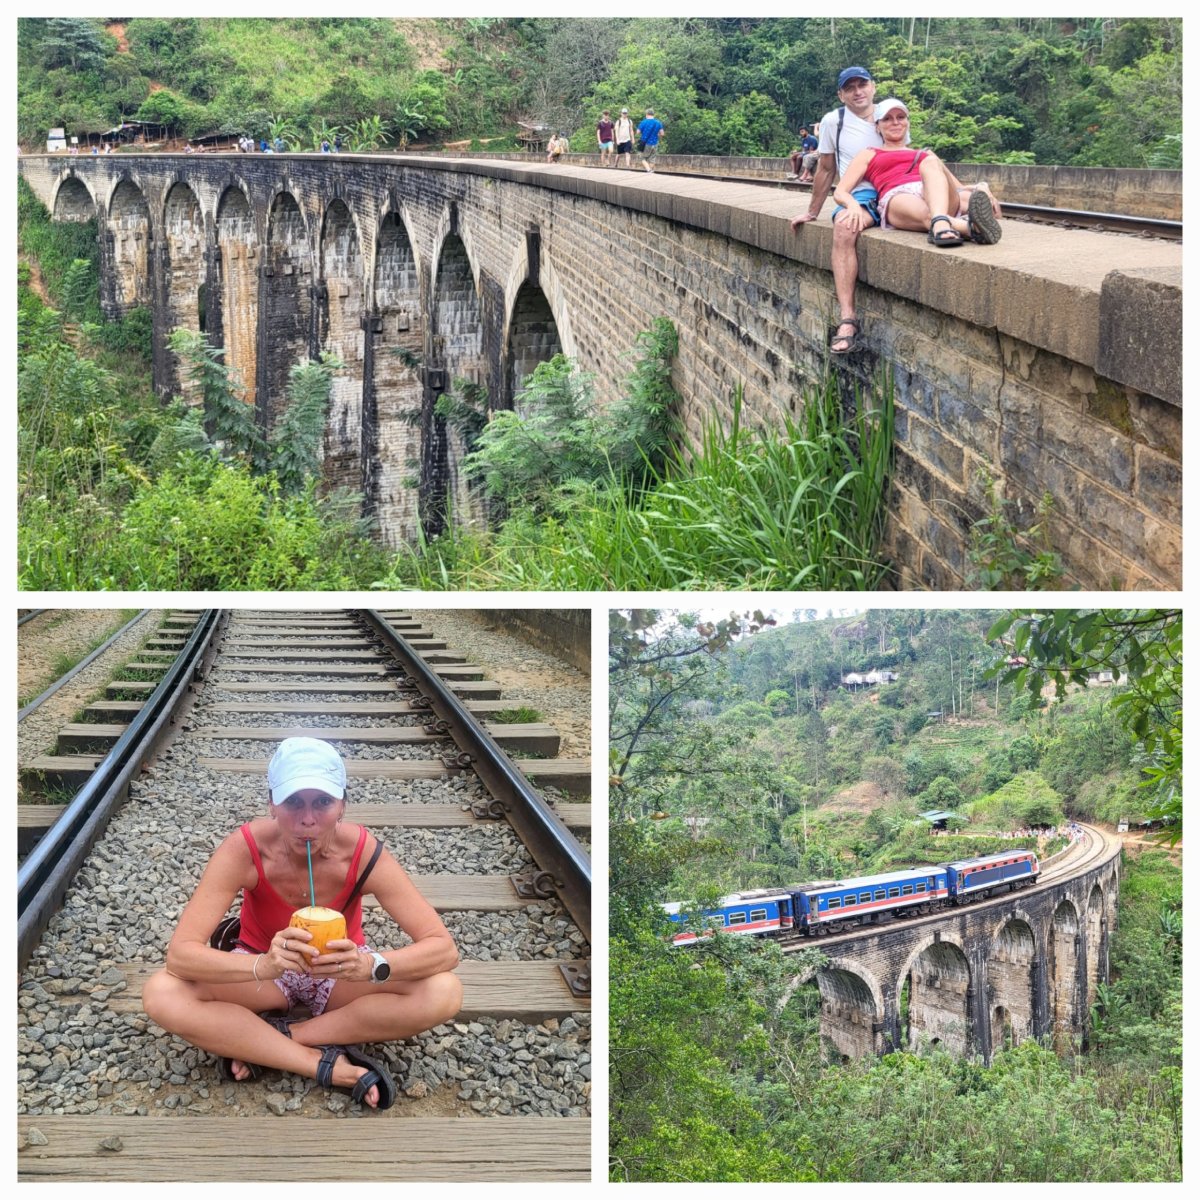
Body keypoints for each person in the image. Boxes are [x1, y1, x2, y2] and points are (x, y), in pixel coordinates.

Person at [142, 737, 462, 1110]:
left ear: (342, 805)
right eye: (293, 801)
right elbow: (180, 956)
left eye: (322, 802)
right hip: (264, 969)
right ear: (272, 803)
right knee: (162, 993)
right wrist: (265, 964)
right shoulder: (245, 849)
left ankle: (276, 1040)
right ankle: (324, 1066)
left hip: (339, 971)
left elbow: (443, 948)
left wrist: (369, 965)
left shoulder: (363, 854)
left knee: (443, 991)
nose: (306, 819)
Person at [790, 66, 895, 355]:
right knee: (844, 228)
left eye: (863, 84)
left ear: (873, 87)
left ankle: (965, 219)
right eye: (850, 87)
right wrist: (812, 212)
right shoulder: (833, 121)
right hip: (858, 194)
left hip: (893, 189)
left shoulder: (890, 112)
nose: (858, 91)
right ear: (841, 94)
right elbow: (825, 169)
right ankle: (848, 318)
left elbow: (903, 154)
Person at [834, 98, 1001, 248]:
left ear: (907, 122)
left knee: (930, 161)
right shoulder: (869, 153)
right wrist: (852, 204)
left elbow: (961, 190)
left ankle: (950, 224)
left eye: (900, 117)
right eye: (887, 119)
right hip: (897, 194)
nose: (895, 122)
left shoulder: (925, 154)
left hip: (932, 192)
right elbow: (841, 191)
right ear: (877, 126)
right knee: (930, 214)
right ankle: (965, 226)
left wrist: (982, 187)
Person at [637, 107, 664, 173]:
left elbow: (638, 132)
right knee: (652, 158)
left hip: (645, 143)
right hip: (655, 143)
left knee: (641, 157)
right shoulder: (658, 122)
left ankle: (648, 170)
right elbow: (662, 133)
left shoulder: (643, 122)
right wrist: (657, 135)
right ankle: (650, 171)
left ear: (647, 114)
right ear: (653, 114)